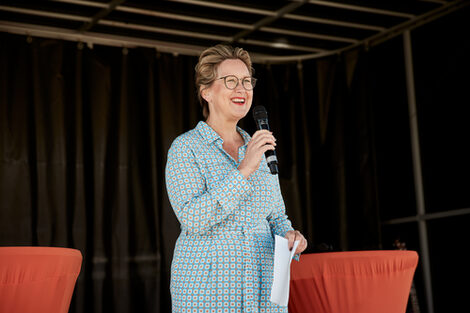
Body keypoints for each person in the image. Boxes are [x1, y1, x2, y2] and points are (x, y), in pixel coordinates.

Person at [165, 44, 307, 313]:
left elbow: (276, 215)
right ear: (205, 91)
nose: (241, 88)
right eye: (230, 81)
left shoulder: (259, 146)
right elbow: (194, 218)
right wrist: (244, 170)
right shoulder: (186, 148)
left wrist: (290, 235)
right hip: (208, 290)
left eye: (246, 81)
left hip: (264, 289)